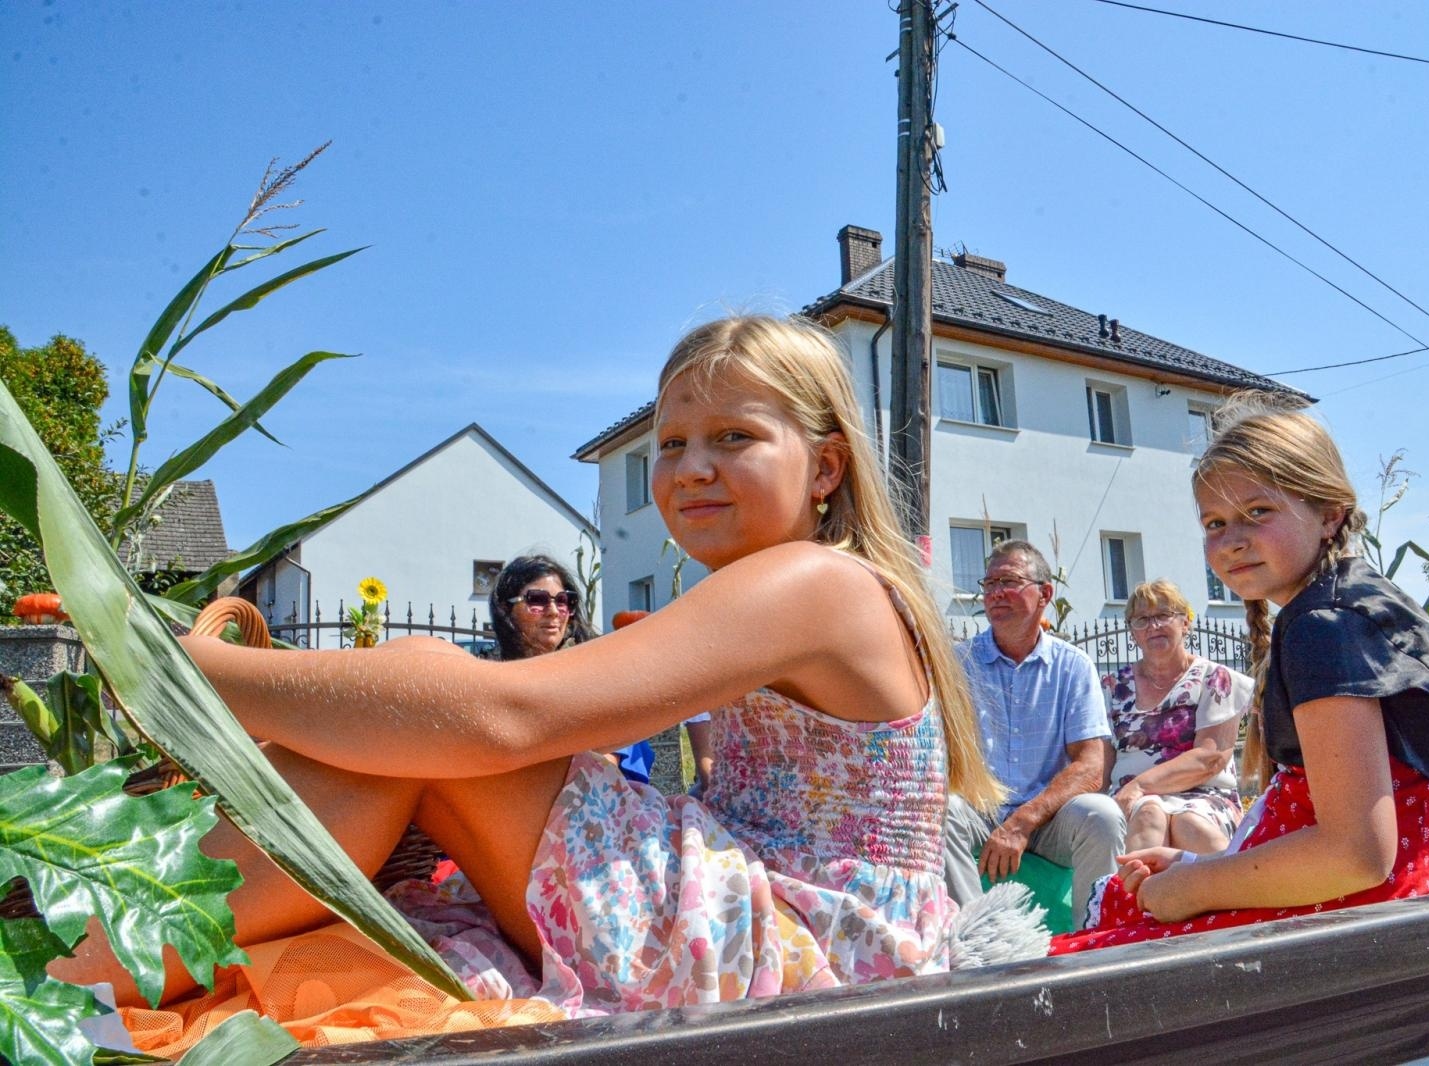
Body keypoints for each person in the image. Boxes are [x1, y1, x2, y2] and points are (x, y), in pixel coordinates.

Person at [60, 314, 1007, 1022]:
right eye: (670, 445)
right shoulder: (806, 587)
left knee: (431, 722)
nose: (689, 468)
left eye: (734, 437)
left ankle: (75, 975)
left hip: (805, 955)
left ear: (827, 468)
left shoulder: (812, 584)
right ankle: (96, 959)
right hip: (797, 927)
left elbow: (505, 716)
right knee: (410, 721)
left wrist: (181, 673)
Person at [1051, 391, 1429, 955]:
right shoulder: (1357, 604)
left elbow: (1356, 854)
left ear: (1329, 513)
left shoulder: (1325, 627)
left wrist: (1192, 886)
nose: (1232, 540)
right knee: (1121, 904)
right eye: (1214, 522)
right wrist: (1196, 864)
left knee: (1087, 957)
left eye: (1258, 513)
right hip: (1409, 892)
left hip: (1363, 919)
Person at [943, 539, 1122, 927]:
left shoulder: (1072, 666)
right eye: (989, 584)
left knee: (1102, 815)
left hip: (1047, 820)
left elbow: (1092, 767)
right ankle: (977, 936)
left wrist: (1023, 821)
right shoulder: (958, 665)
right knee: (943, 810)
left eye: (1008, 581)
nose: (995, 594)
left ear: (1045, 594)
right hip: (980, 810)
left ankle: (1093, 938)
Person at [1104, 580, 1251, 854]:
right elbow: (1102, 762)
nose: (1153, 626)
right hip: (1131, 800)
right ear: (1133, 633)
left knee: (1190, 825)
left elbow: (1210, 758)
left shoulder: (1215, 678)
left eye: (1163, 615)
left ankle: (1242, 894)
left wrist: (1140, 785)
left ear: (1185, 623)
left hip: (1204, 794)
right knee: (1148, 817)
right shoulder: (1112, 687)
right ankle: (1134, 897)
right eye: (1142, 620)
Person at [489, 554, 656, 784]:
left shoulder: (592, 677)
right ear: (506, 609)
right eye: (537, 600)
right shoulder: (491, 684)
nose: (554, 611)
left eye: (563, 600)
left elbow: (616, 762)